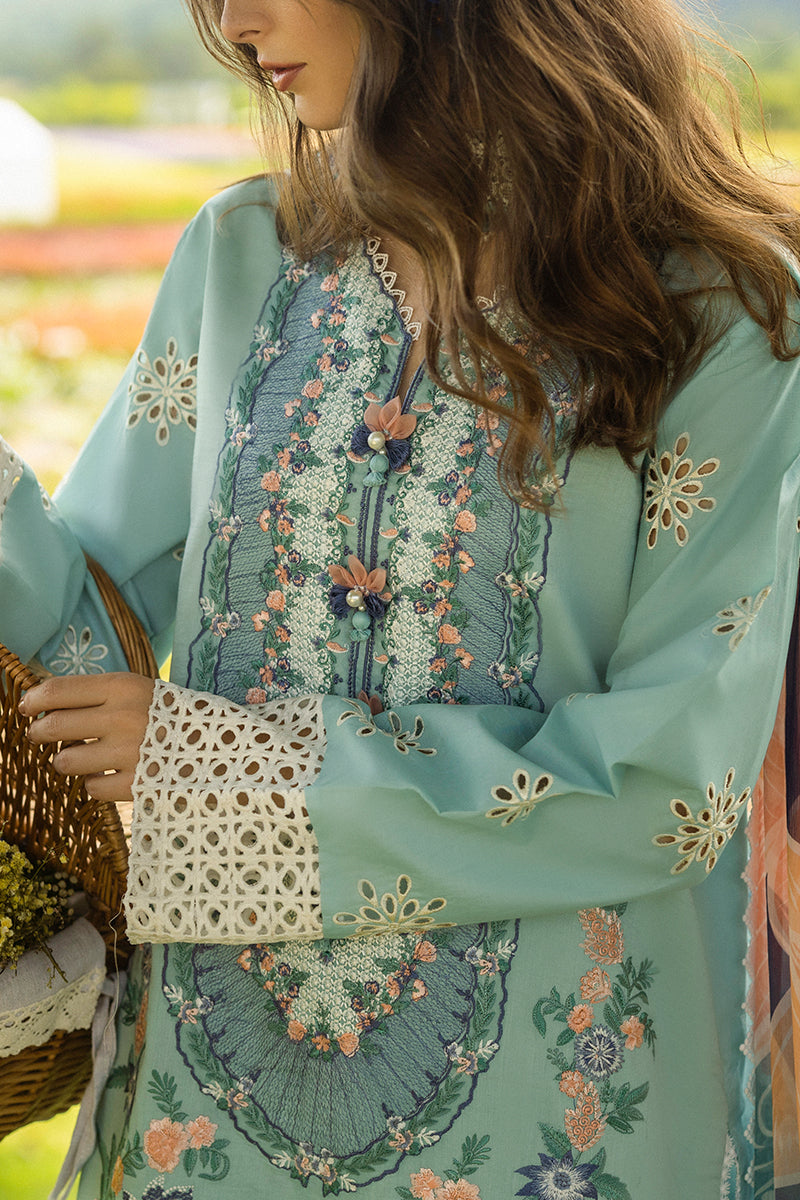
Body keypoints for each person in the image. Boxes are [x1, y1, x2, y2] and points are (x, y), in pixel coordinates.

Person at [3, 0, 800, 1196]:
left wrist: (245, 772)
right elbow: (79, 657)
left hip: (564, 1120)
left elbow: (669, 784)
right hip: (209, 1115)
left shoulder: (712, 310)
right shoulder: (242, 256)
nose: (236, 21)